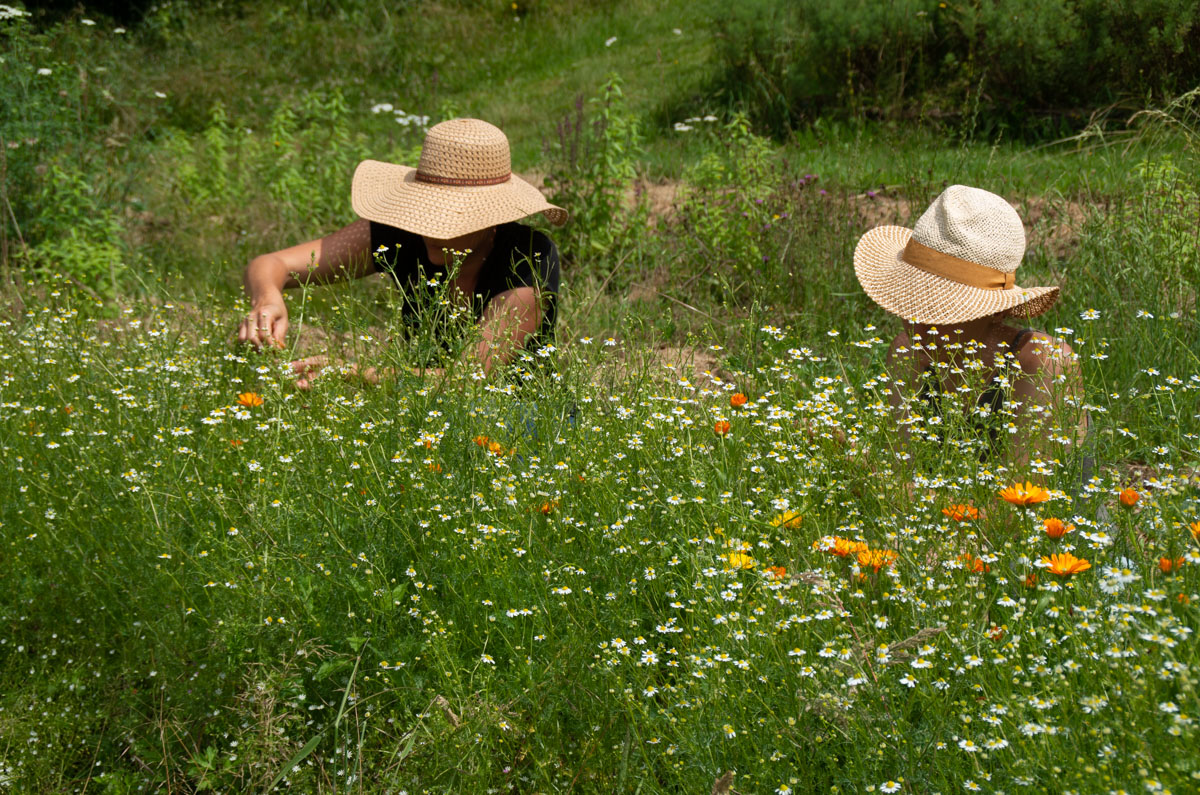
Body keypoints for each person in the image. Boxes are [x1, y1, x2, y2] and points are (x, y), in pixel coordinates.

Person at [237, 118, 567, 386]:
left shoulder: (529, 258)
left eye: (453, 214)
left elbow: (471, 379)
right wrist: (267, 299)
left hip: (522, 423)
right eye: (425, 208)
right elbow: (272, 263)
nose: (430, 228)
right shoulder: (402, 232)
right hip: (416, 414)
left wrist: (361, 376)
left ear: (491, 216)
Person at [853, 184, 1087, 465]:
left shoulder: (1044, 366)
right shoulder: (908, 354)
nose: (919, 322)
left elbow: (1023, 501)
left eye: (943, 309)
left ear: (998, 312)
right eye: (913, 301)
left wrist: (878, 483)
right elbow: (899, 467)